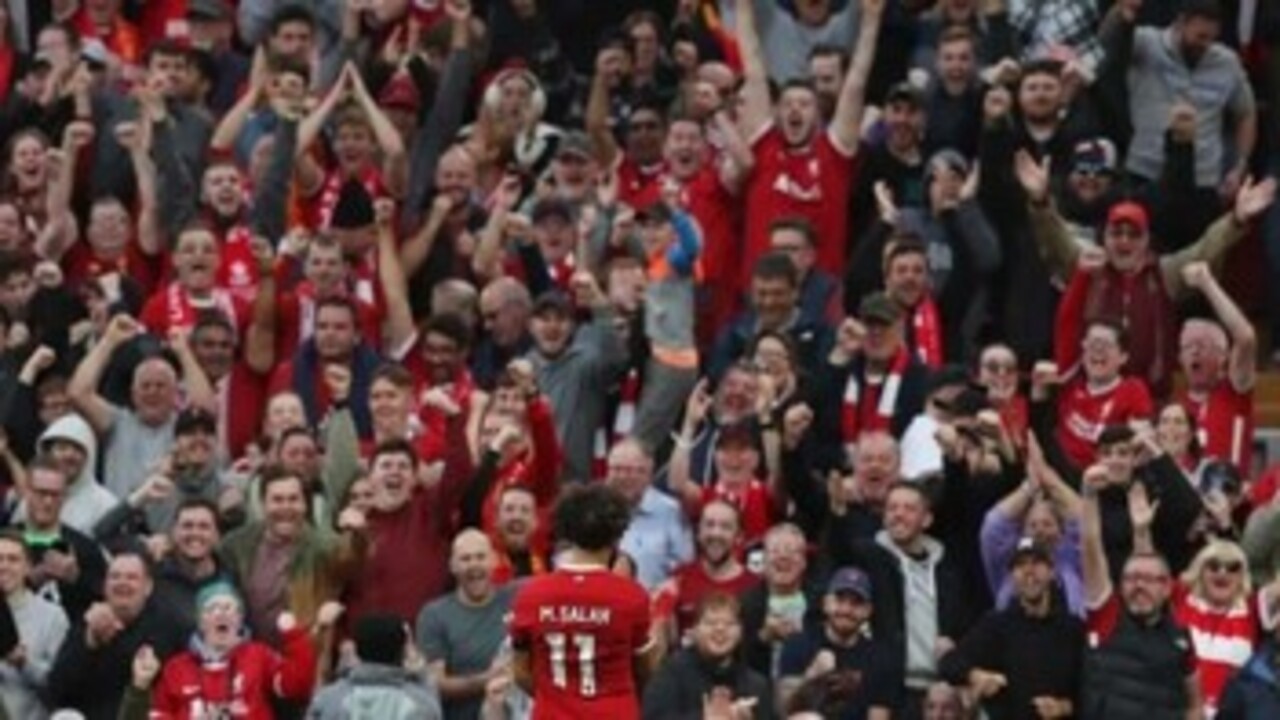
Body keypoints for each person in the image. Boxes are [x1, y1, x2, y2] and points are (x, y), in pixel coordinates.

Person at [509, 484, 661, 719]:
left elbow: (520, 671)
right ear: (616, 536)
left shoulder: (531, 595)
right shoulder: (631, 596)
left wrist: (555, 698)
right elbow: (645, 668)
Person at [1079, 463, 1203, 720]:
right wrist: (1089, 497)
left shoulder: (1180, 636)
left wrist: (1142, 530)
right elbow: (1091, 547)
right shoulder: (1107, 617)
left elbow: (1195, 705)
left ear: (1167, 587)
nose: (1138, 586)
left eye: (1148, 580)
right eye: (1131, 579)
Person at [939, 537, 1086, 720]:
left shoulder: (1073, 629)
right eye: (1020, 565)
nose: (1029, 571)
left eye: (1037, 563)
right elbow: (949, 663)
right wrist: (976, 676)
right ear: (1012, 576)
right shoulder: (997, 625)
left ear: (1051, 572)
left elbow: (1093, 690)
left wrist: (1064, 707)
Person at [45, 550, 190, 720]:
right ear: (105, 585)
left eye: (132, 577)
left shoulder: (170, 626)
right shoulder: (86, 624)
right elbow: (56, 693)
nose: (122, 583)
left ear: (148, 587)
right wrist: (90, 642)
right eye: (115, 577)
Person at [144, 583, 317, 717]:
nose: (221, 614)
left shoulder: (259, 656)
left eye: (228, 608)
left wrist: (294, 637)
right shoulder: (176, 668)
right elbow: (159, 714)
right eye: (211, 609)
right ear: (201, 623)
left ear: (240, 619)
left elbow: (296, 686)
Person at [776, 566, 903, 718]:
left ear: (868, 611)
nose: (846, 609)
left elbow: (879, 716)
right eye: (839, 599)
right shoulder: (798, 645)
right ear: (825, 603)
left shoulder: (881, 658)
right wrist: (812, 674)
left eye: (856, 603)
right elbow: (783, 710)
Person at [417, 529, 517, 720]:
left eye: (480, 557)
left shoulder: (515, 601)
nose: (474, 564)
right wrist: (486, 679)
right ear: (452, 566)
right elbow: (434, 683)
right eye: (465, 559)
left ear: (494, 560)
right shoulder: (434, 615)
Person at [641, 593, 772, 720]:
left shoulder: (756, 684)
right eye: (711, 623)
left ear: (741, 632)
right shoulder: (672, 673)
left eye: (730, 624)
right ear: (695, 630)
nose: (720, 629)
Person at [308, 614, 443, 719]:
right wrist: (419, 667)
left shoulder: (329, 699)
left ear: (357, 651)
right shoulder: (421, 702)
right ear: (402, 652)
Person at [0, 528, 68, 720]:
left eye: (13, 559)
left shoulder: (52, 616)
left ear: (28, 567)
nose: (3, 566)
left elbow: (60, 685)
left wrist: (24, 663)